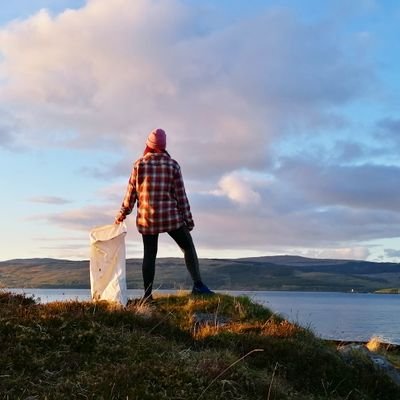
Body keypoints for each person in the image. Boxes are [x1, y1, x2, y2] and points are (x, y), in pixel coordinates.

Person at [115, 128, 214, 302]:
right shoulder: (172, 165)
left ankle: (147, 296)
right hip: (171, 218)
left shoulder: (139, 165)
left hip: (147, 220)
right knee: (188, 247)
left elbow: (131, 194)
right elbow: (181, 196)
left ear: (149, 145)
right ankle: (198, 286)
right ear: (164, 146)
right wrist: (188, 221)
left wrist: (122, 214)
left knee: (149, 254)